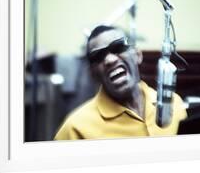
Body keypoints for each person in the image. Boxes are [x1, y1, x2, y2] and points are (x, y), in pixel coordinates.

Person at [54, 25, 187, 140]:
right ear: (92, 74)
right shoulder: (75, 128)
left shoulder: (175, 104)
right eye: (98, 57)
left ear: (137, 55)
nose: (110, 60)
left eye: (118, 47)